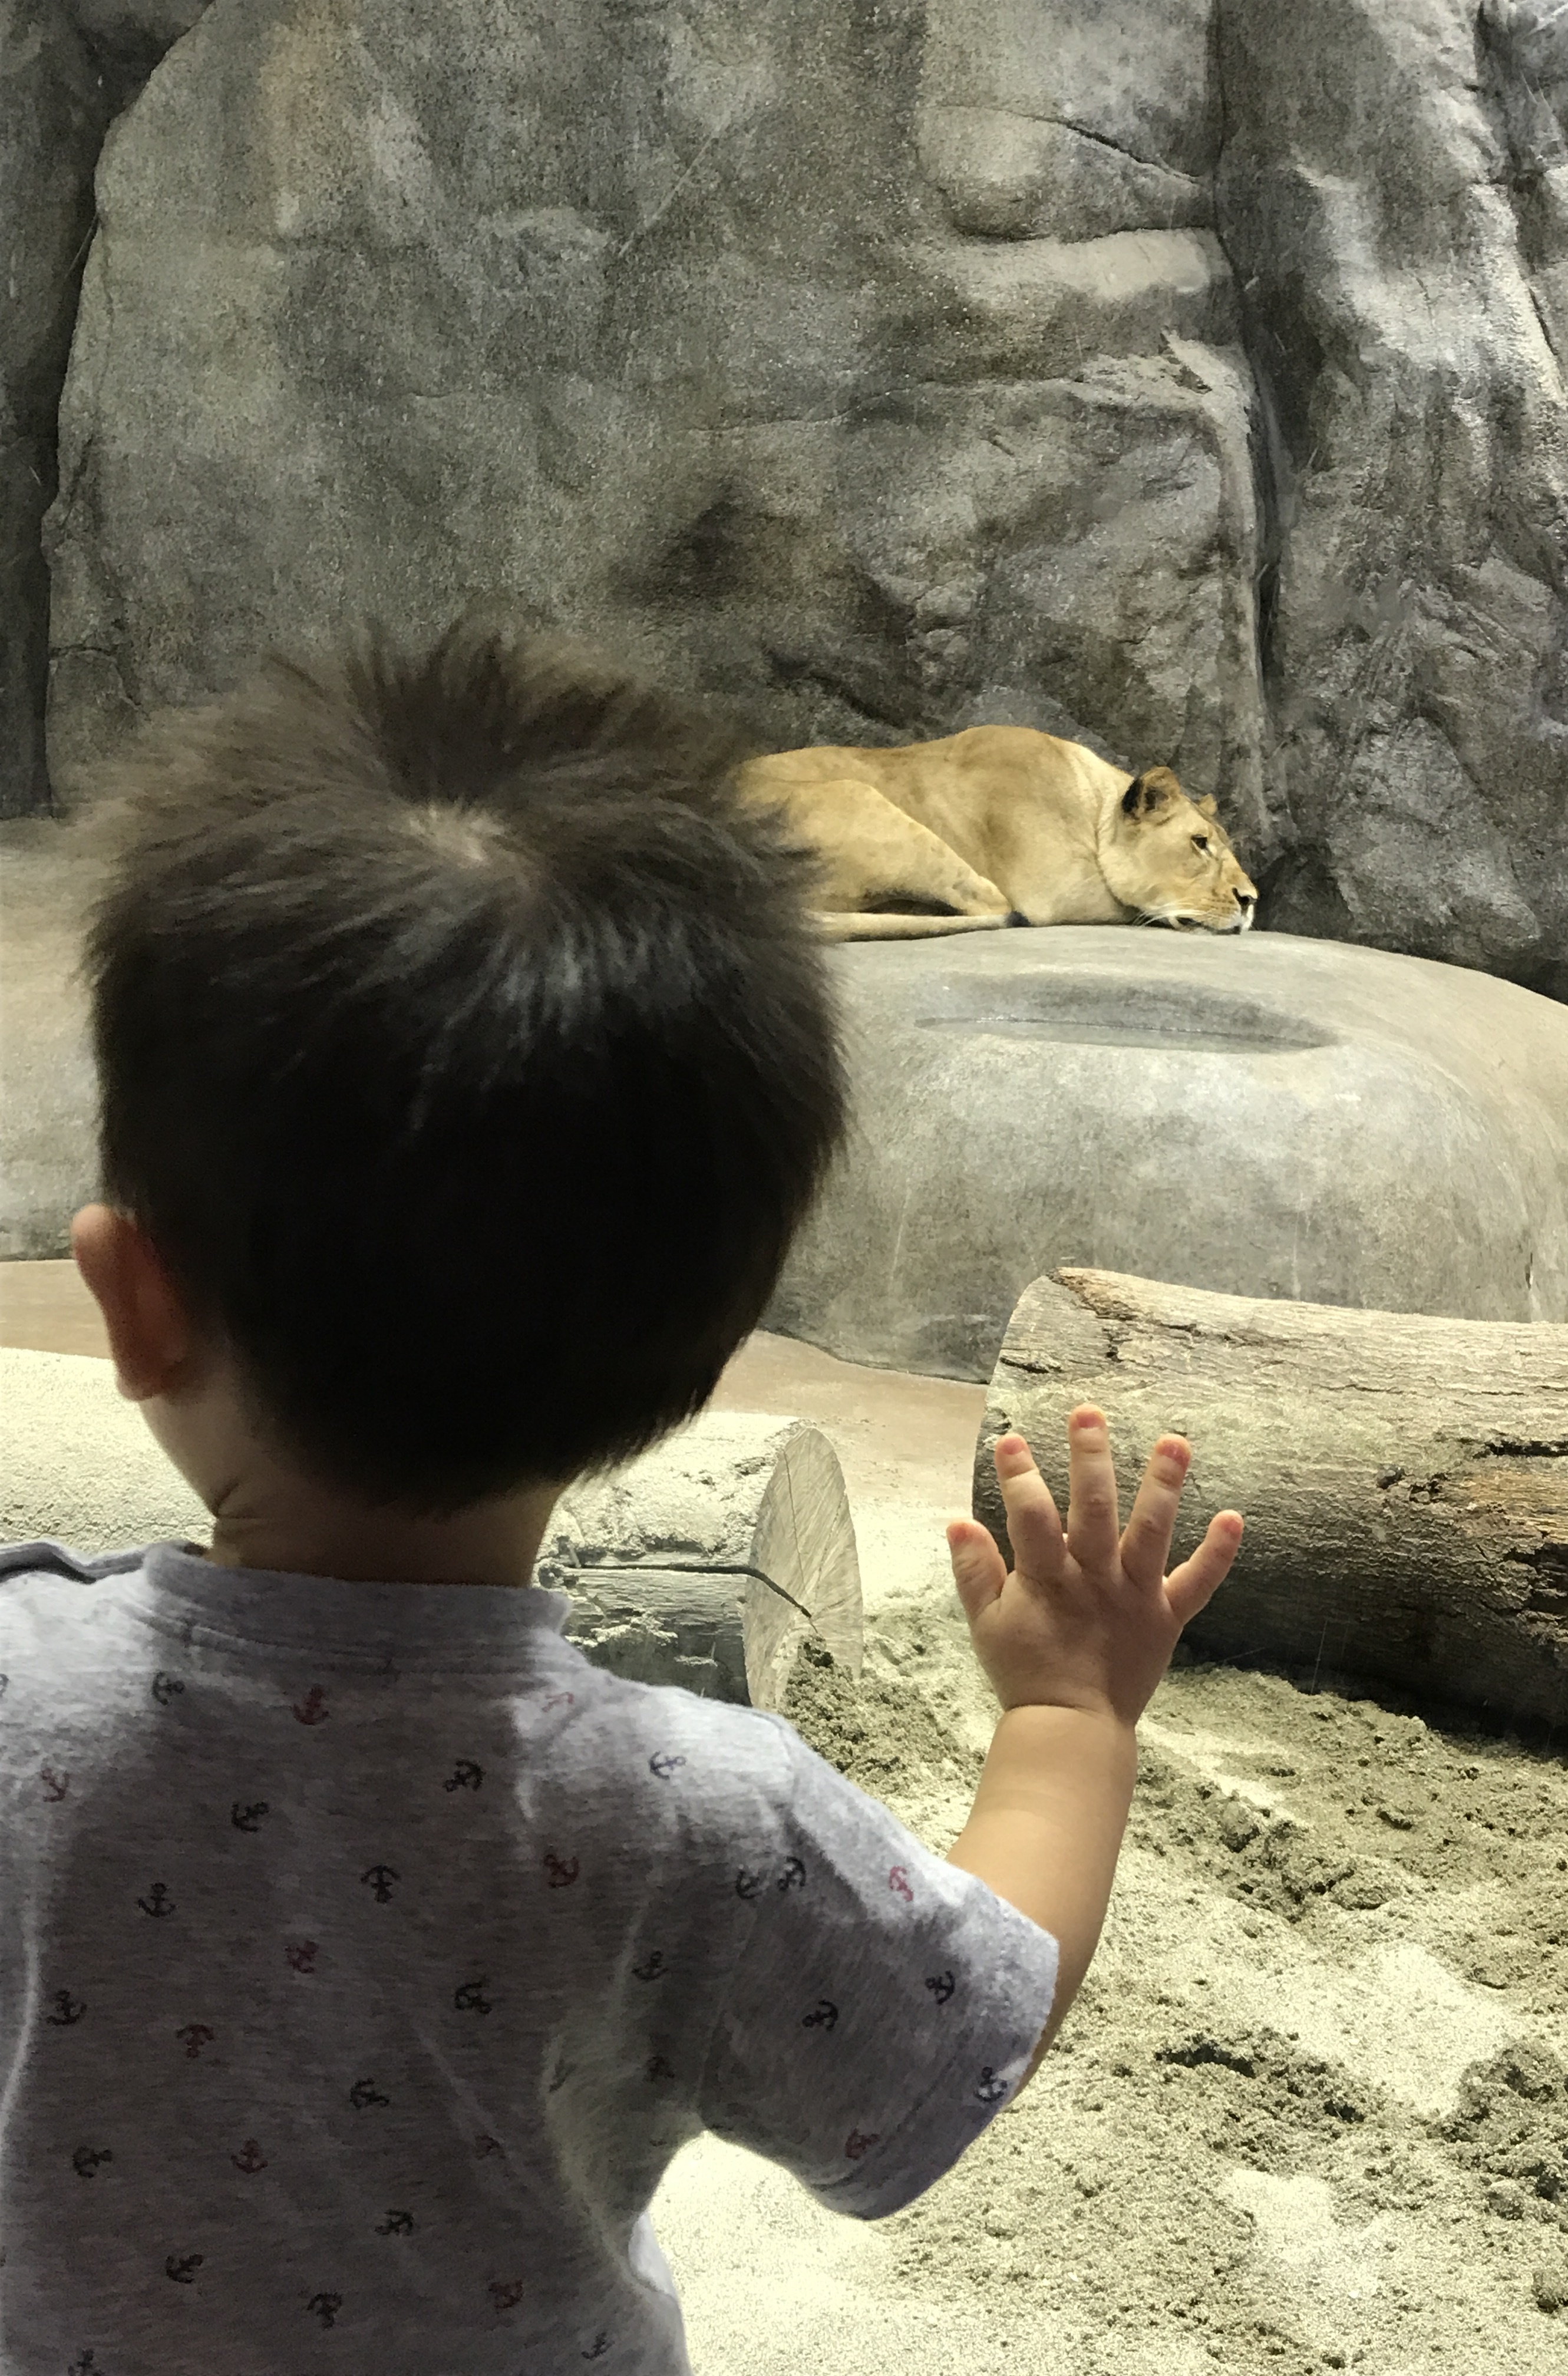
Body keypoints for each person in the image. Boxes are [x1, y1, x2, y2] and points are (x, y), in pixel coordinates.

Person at [0, 622, 1243, 2371]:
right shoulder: (697, 1822)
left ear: (131, 1304)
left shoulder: (16, 1693)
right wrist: (1068, 1720)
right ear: (705, 1354)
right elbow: (962, 2028)